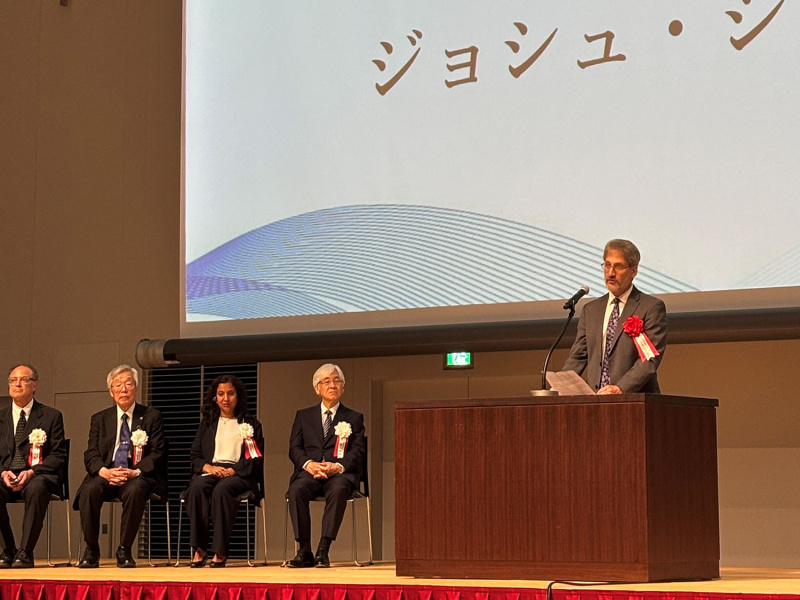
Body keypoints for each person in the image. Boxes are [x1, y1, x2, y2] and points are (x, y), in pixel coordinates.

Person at [75, 364, 165, 568]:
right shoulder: (100, 418)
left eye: (128, 384)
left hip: (136, 474)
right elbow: (91, 453)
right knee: (89, 490)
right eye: (118, 385)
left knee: (135, 491)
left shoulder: (151, 416)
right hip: (108, 472)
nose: (123, 389)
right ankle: (92, 549)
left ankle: (124, 549)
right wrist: (104, 471)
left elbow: (158, 452)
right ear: (111, 391)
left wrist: (136, 471)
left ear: (136, 387)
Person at [562, 239, 667, 394]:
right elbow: (578, 357)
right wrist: (559, 386)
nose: (610, 273)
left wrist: (620, 388)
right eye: (607, 265)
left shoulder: (650, 307)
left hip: (635, 401)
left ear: (633, 271)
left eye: (618, 266)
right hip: (597, 402)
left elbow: (649, 359)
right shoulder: (590, 310)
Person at [286, 363, 365, 568]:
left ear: (343, 387)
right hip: (310, 472)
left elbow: (357, 451)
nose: (332, 385)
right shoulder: (303, 416)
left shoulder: (354, 418)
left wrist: (337, 467)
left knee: (339, 489)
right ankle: (304, 550)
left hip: (338, 474)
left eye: (337, 380)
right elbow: (294, 448)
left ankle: (323, 548)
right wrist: (309, 464)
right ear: (317, 388)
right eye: (326, 381)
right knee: (296, 490)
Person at [184, 375, 264, 568]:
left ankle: (220, 550)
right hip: (212, 470)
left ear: (238, 396)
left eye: (230, 393)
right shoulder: (207, 423)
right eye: (221, 394)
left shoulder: (251, 424)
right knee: (196, 487)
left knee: (222, 490)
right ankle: (200, 548)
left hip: (239, 474)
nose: (225, 398)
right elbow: (195, 455)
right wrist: (209, 468)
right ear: (215, 397)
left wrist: (233, 470)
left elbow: (255, 459)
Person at [0, 364, 67, 568]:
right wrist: (2, 472)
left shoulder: (51, 415)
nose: (17, 384)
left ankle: (25, 552)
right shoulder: (0, 417)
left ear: (34, 385)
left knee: (38, 488)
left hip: (37, 476)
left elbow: (58, 455)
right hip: (5, 475)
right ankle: (7, 549)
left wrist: (32, 472)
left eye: (23, 379)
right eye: (13, 380)